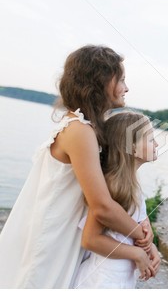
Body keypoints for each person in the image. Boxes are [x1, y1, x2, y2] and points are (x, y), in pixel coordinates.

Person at [0, 45, 152, 288]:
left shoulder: (88, 127)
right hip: (53, 235)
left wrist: (143, 226)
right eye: (121, 79)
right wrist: (142, 238)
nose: (126, 87)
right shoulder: (79, 130)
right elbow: (101, 206)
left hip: (67, 232)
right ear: (100, 82)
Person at [73, 111, 161, 288]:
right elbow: (90, 240)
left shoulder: (132, 185)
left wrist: (151, 247)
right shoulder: (114, 187)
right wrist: (136, 254)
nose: (157, 144)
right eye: (151, 139)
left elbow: (134, 223)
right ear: (133, 147)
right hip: (102, 281)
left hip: (119, 278)